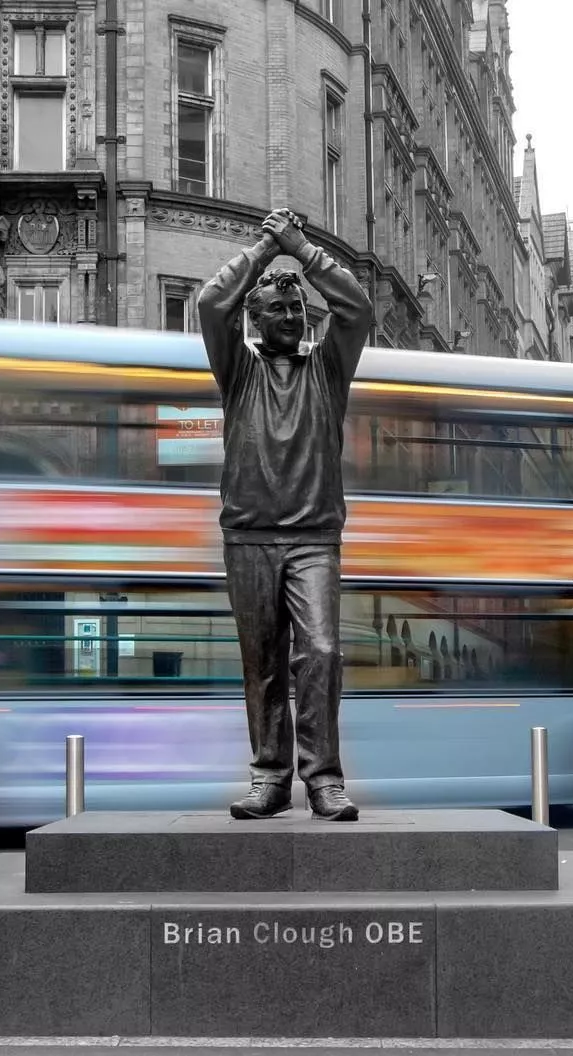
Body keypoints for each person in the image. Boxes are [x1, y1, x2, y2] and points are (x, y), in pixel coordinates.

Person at [198, 208, 373, 821]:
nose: (294, 318)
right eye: (280, 310)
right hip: (248, 535)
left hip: (313, 537)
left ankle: (323, 777)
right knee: (262, 660)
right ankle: (270, 777)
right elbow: (210, 303)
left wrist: (301, 249)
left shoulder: (327, 370)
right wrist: (262, 249)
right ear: (256, 320)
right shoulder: (238, 371)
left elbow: (357, 309)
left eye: (299, 311)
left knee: (321, 651)